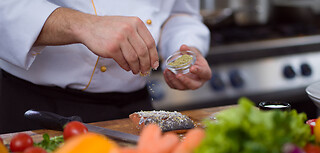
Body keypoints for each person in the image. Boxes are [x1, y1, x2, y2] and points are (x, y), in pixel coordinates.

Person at [0, 0, 212, 134]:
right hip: (37, 108)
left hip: (134, 111)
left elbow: (180, 13)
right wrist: (83, 24)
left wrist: (184, 48)